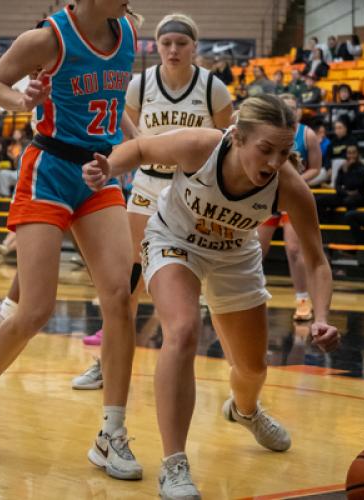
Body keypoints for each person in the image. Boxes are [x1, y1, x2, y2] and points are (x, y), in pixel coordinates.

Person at [82, 94, 340, 500]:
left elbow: (317, 261)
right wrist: (109, 166)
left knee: (253, 369)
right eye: (266, 149)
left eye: (285, 152)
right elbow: (144, 147)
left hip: (235, 257)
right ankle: (175, 464)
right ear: (237, 137)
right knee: (182, 331)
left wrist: (322, 316)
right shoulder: (203, 146)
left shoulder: (288, 184)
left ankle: (246, 411)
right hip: (173, 241)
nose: (275, 162)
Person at [0, 0, 144, 481]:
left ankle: (111, 433)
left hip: (99, 172)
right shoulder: (48, 37)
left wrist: (140, 145)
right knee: (36, 308)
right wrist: (23, 101)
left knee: (120, 298)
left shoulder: (130, 37)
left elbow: (114, 107)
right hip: (49, 170)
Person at [74, 12, 232, 380]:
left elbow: (227, 147)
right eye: (166, 43)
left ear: (194, 47)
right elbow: (125, 135)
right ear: (156, 46)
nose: (173, 50)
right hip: (146, 186)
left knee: (204, 285)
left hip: (193, 192)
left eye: (181, 43)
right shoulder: (139, 86)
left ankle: (229, 371)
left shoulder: (214, 89)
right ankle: (106, 364)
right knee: (126, 281)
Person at [257, 94, 321, 321]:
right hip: (268, 195)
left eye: (292, 108)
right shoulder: (267, 132)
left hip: (292, 197)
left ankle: (303, 299)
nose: (289, 111)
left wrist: (297, 180)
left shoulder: (307, 134)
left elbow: (316, 168)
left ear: (299, 111)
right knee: (256, 249)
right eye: (285, 108)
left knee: (294, 249)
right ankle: (253, 296)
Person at [316, 144, 364, 222]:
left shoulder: (363, 169)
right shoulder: (343, 167)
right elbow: (337, 186)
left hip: (359, 197)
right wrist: (346, 192)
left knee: (349, 201)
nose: (351, 155)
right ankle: (327, 221)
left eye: (353, 153)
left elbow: (354, 185)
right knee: (318, 200)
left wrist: (347, 172)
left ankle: (351, 222)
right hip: (344, 195)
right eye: (349, 153)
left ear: (358, 154)